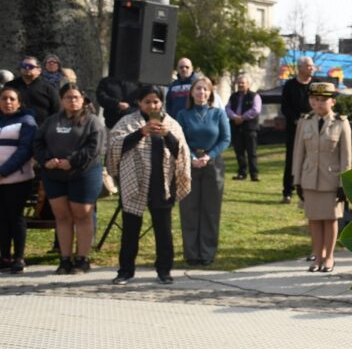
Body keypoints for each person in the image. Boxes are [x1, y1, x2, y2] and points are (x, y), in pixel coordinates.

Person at [107, 85, 191, 285]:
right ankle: (125, 271)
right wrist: (141, 132)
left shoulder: (171, 124)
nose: (152, 106)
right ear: (139, 102)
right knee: (130, 229)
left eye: (156, 102)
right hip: (134, 181)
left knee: (163, 230)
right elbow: (116, 146)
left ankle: (164, 270)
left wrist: (167, 135)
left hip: (162, 183)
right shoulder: (127, 121)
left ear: (161, 103)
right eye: (147, 102)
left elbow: (181, 151)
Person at [32, 83, 106, 274]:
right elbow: (38, 143)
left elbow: (94, 148)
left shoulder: (92, 121)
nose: (72, 101)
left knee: (82, 215)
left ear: (83, 99)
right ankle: (65, 260)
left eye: (76, 97)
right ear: (61, 100)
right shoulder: (51, 121)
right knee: (62, 217)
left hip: (83, 174)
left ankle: (82, 259)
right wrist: (46, 160)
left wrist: (71, 161)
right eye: (68, 97)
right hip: (54, 175)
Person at [292, 82, 351, 273]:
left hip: (331, 180)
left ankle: (329, 257)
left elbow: (346, 157)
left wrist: (344, 184)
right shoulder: (305, 121)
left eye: (323, 99)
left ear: (333, 101)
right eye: (315, 99)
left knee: (331, 219)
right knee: (314, 219)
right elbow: (298, 153)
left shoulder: (341, 123)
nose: (318, 103)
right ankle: (317, 257)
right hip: (309, 179)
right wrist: (297, 180)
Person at [177, 77, 231, 266]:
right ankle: (191, 253)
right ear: (192, 92)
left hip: (213, 164)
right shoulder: (183, 114)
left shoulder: (218, 114)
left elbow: (225, 138)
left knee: (211, 209)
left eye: (205, 89)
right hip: (189, 163)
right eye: (198, 89)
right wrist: (192, 157)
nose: (202, 92)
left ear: (210, 93)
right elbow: (180, 139)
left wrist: (209, 156)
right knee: (189, 209)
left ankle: (207, 252)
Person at [0, 86, 37, 274]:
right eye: (4, 98)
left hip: (17, 179)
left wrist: (3, 171)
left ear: (19, 103)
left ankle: (19, 257)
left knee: (15, 217)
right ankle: (4, 257)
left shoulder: (27, 122)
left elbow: (24, 151)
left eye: (12, 99)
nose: (7, 102)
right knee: (1, 218)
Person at [280, 56, 320, 203]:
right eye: (308, 66)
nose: (312, 68)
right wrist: (297, 120)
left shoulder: (317, 85)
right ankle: (287, 191)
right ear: (300, 68)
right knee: (292, 159)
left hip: (314, 129)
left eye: (312, 66)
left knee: (313, 159)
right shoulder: (289, 85)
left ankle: (309, 189)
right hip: (294, 129)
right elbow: (285, 107)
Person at [227, 74, 262, 182]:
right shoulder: (233, 96)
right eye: (239, 83)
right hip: (236, 127)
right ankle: (242, 173)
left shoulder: (254, 96)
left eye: (243, 83)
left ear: (248, 84)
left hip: (250, 128)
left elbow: (256, 110)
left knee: (252, 152)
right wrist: (235, 117)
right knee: (239, 152)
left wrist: (242, 117)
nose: (240, 85)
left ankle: (254, 174)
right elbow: (227, 109)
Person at [8, 56, 60, 123]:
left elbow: (56, 110)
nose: (27, 68)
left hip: (41, 126)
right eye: (24, 66)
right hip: (13, 125)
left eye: (30, 66)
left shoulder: (48, 88)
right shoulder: (10, 86)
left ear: (39, 70)